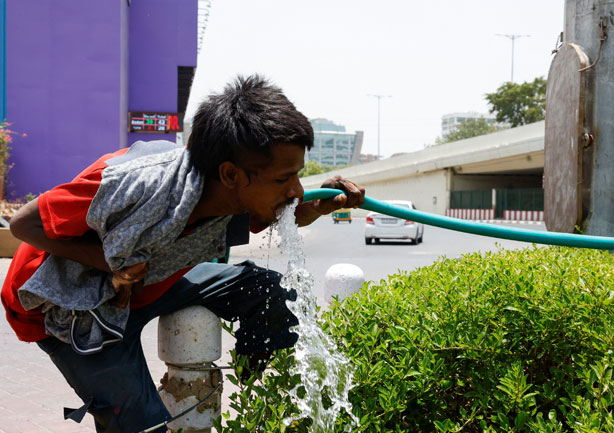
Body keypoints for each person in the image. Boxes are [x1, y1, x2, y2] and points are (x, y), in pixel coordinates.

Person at [1, 75, 365, 432]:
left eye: (297, 175)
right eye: (283, 179)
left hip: (152, 282)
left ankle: (248, 385)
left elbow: (283, 215)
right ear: (230, 174)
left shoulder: (230, 194)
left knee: (274, 294)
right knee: (140, 424)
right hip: (69, 306)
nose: (295, 190)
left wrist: (320, 204)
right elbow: (23, 225)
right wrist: (112, 264)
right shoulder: (134, 183)